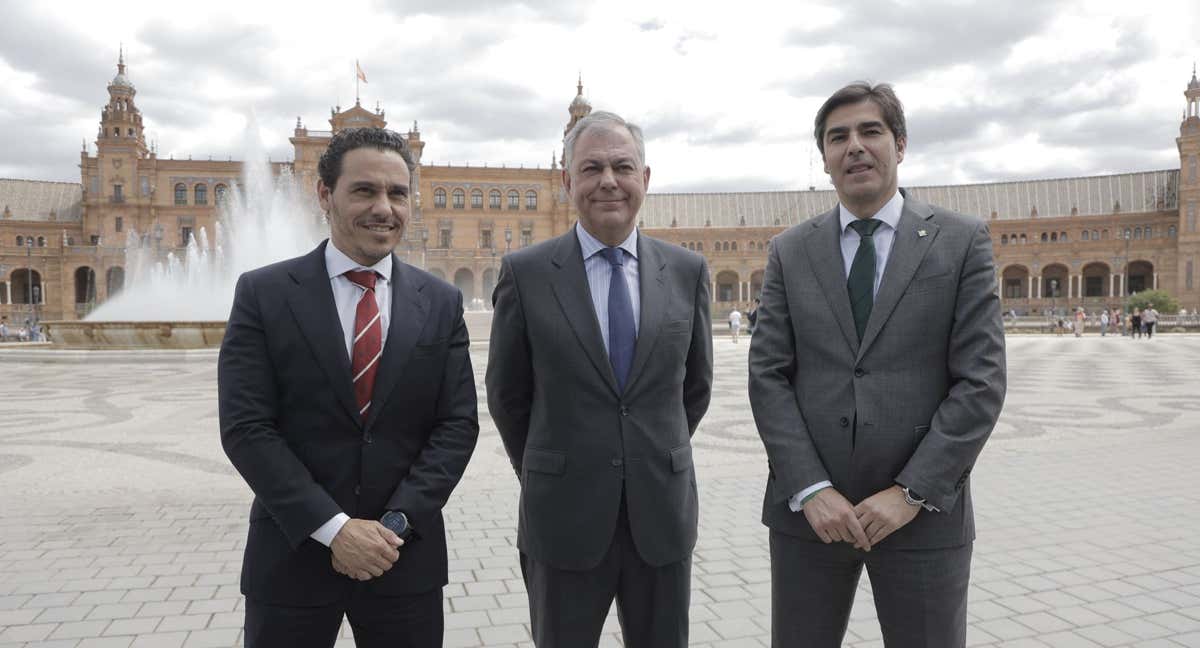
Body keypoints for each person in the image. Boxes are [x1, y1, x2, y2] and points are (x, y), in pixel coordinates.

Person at [749, 82, 1006, 648]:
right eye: (838, 137)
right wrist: (810, 488)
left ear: (901, 144)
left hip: (922, 515)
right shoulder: (790, 250)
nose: (855, 147)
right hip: (811, 517)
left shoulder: (960, 242)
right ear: (824, 159)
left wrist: (910, 493)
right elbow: (767, 374)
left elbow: (981, 381)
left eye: (871, 131)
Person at [218, 127, 479, 648]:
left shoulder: (441, 302)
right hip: (292, 557)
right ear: (324, 194)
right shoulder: (263, 293)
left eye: (397, 193)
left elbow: (457, 425)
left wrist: (396, 524)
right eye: (364, 190)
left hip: (403, 559)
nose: (383, 208)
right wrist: (334, 528)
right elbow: (247, 427)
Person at [487, 110, 713, 648]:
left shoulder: (687, 270)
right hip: (562, 517)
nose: (608, 180)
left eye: (622, 166)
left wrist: (648, 453)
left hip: (661, 514)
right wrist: (555, 465)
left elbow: (695, 389)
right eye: (591, 168)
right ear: (567, 182)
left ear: (645, 179)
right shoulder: (527, 273)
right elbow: (507, 397)